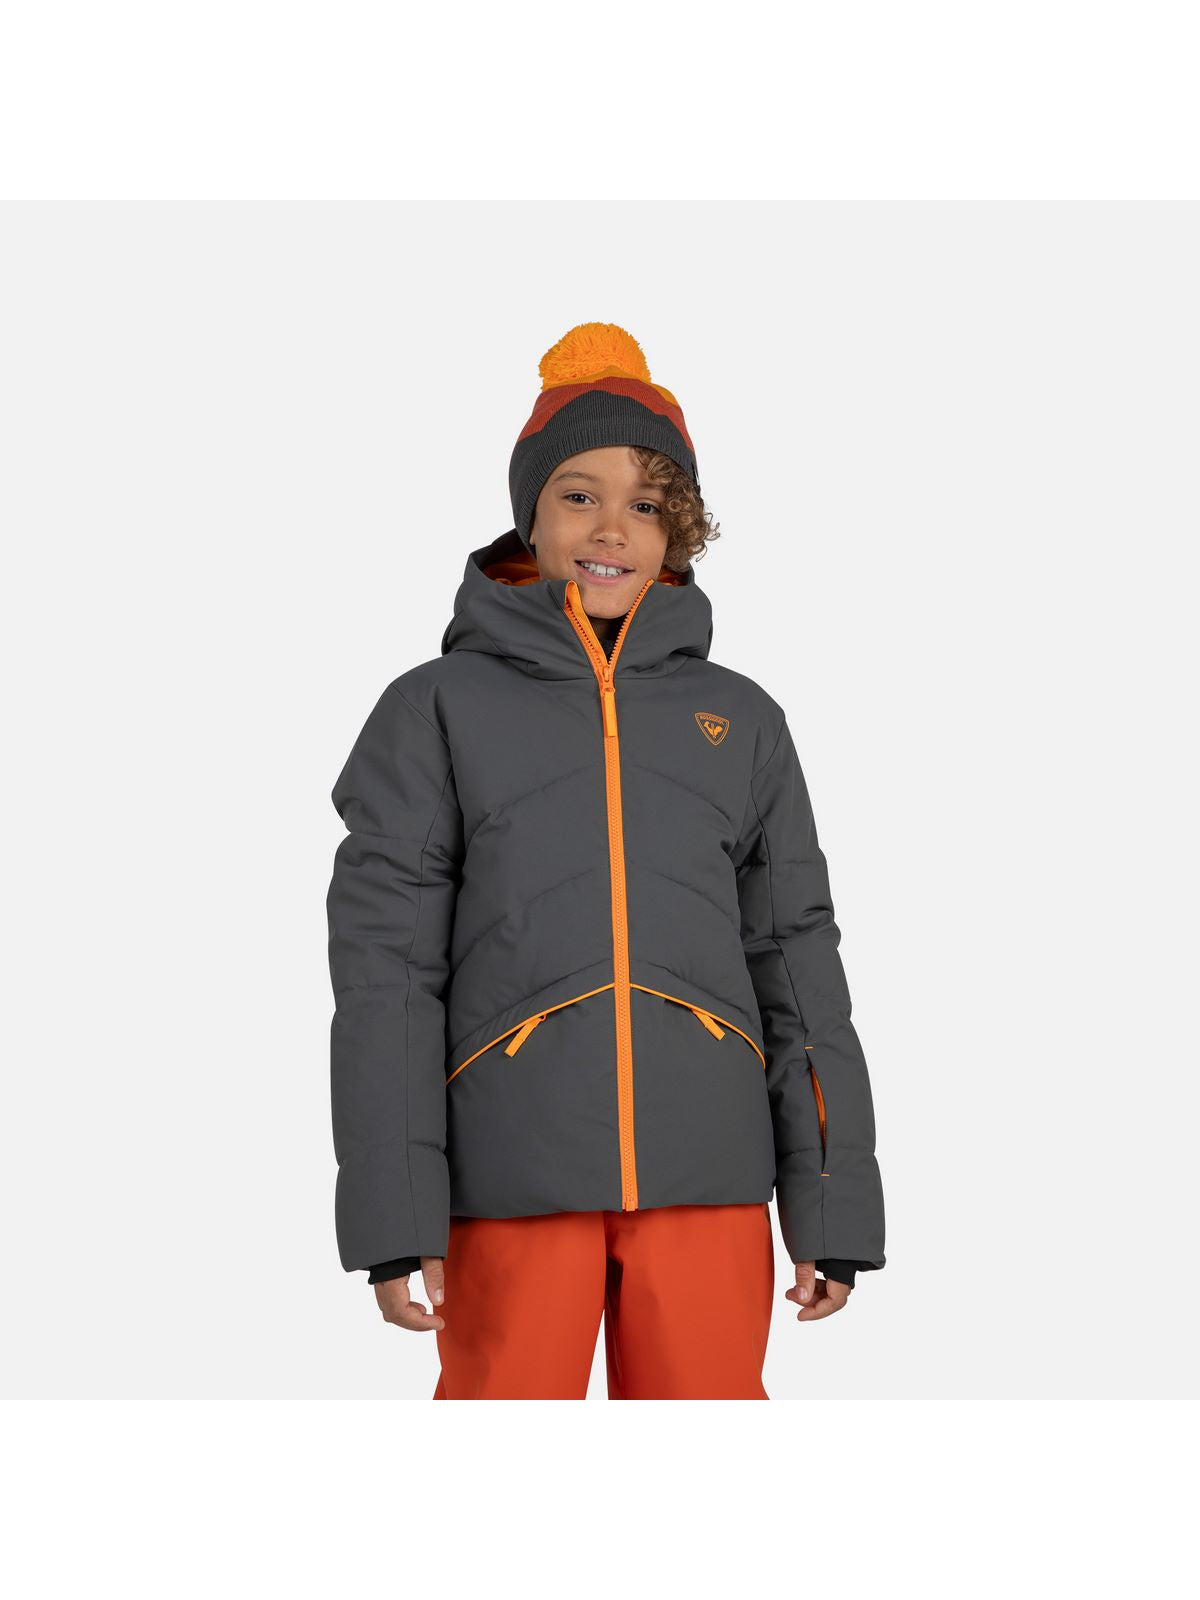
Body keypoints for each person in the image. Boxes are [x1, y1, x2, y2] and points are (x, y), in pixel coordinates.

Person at [327, 321, 886, 1399]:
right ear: (529, 514)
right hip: (509, 1180)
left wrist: (832, 1203)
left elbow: (798, 965)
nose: (612, 529)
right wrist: (395, 1214)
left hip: (710, 1179)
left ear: (680, 532)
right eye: (578, 494)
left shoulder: (743, 720)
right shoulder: (433, 711)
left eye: (648, 504)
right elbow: (387, 977)